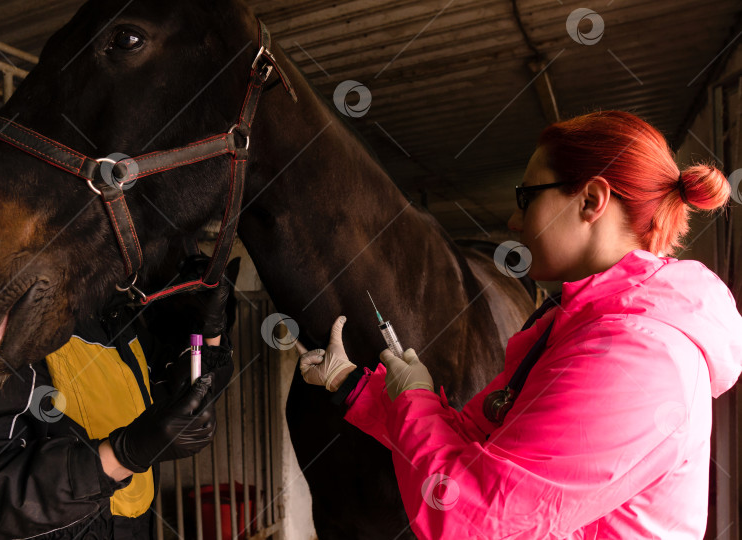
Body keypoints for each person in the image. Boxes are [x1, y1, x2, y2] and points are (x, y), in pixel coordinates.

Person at [297, 111, 742, 539]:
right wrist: (359, 385)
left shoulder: (640, 355)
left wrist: (412, 396)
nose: (513, 221)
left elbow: (471, 519)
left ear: (591, 200)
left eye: (526, 198)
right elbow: (476, 439)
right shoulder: (580, 323)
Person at [0, 258, 239, 539]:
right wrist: (119, 457)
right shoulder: (4, 330)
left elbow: (184, 404)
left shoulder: (120, 321)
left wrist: (208, 333)